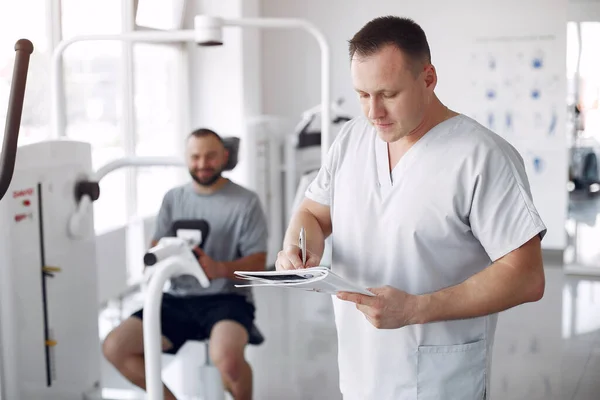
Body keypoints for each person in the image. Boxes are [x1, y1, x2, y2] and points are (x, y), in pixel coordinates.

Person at [276, 16, 546, 399]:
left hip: (438, 380)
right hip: (360, 373)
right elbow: (313, 215)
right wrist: (298, 248)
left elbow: (527, 276)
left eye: (388, 94)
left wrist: (417, 308)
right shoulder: (352, 138)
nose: (374, 112)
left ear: (428, 78)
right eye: (362, 94)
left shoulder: (482, 156)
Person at [103, 128, 268, 400]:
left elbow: (259, 263)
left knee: (227, 360)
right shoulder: (174, 198)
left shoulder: (246, 202)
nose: (202, 164)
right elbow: (156, 247)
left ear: (224, 156)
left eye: (210, 157)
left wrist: (219, 269)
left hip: (227, 298)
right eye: (195, 157)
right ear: (187, 159)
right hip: (177, 299)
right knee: (114, 347)